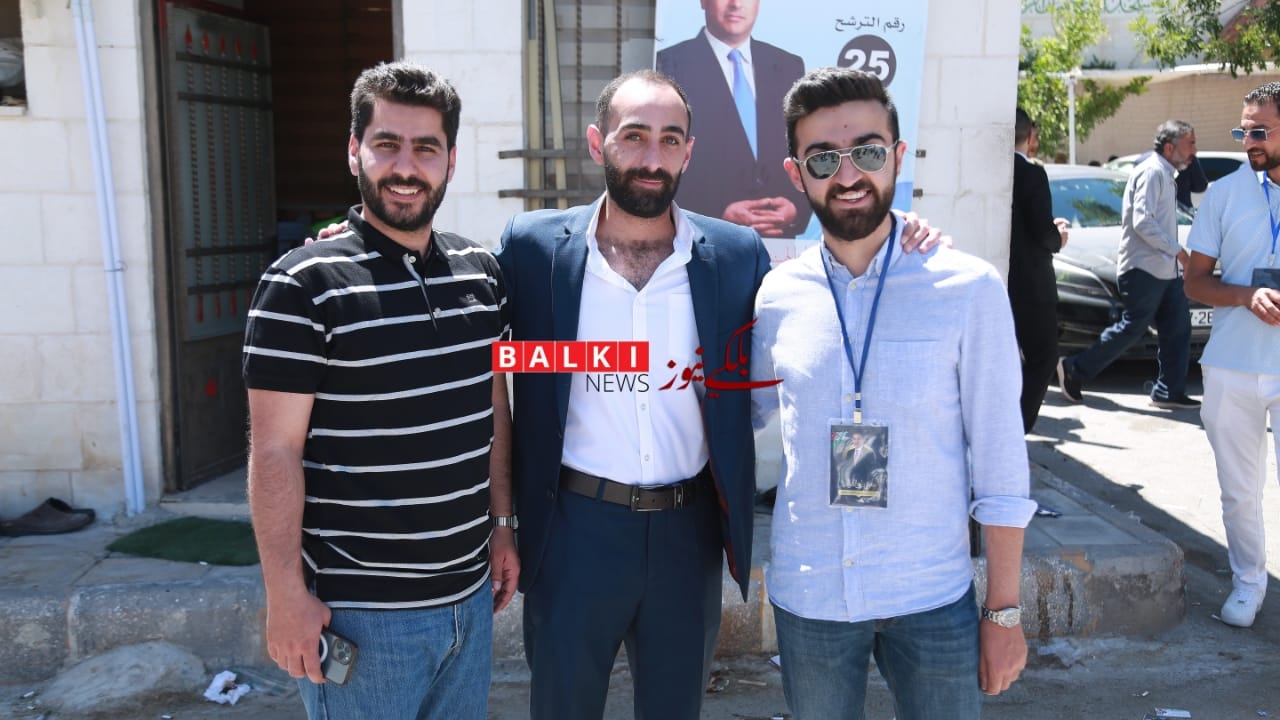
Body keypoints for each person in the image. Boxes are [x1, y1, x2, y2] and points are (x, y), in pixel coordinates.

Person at [495, 69, 942, 720]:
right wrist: (366, 242)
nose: (653, 157)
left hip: (689, 534)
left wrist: (902, 237)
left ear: (689, 152)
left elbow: (829, 293)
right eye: (634, 136)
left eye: (670, 139)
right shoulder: (532, 249)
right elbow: (471, 330)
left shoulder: (736, 256)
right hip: (571, 532)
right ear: (597, 143)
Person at [749, 67, 1036, 720]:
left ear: (899, 157)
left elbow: (1000, 458)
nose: (848, 174)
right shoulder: (774, 296)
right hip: (812, 596)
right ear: (796, 174)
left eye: (868, 152)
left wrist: (1004, 610)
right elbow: (741, 419)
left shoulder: (967, 289)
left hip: (930, 594)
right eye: (823, 158)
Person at [241, 61, 518, 719]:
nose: (405, 167)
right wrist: (284, 595)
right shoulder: (301, 286)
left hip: (469, 603)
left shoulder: (481, 275)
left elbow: (494, 408)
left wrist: (503, 526)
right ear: (354, 150)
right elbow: (274, 451)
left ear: (451, 160)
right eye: (386, 144)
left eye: (426, 148)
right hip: (361, 619)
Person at [1184, 81, 1280, 628]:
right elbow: (1195, 282)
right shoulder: (1223, 194)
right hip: (1231, 364)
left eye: (1260, 131)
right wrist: (1246, 295)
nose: (1249, 142)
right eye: (1243, 132)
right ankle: (1248, 584)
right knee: (1239, 492)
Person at [1057, 120, 1200, 409]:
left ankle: (1168, 392)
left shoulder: (1166, 173)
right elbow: (1142, 222)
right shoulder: (1152, 172)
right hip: (1143, 268)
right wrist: (1178, 251)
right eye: (1190, 144)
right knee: (1133, 328)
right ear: (1169, 147)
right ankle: (1074, 368)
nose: (1194, 152)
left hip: (1164, 269)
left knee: (1178, 328)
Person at [657, 0, 810, 237]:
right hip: (702, 239)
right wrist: (715, 214)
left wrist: (797, 206)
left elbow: (806, 146)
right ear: (703, 2)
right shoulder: (669, 64)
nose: (736, 4)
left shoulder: (788, 65)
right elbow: (660, 157)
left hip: (780, 244)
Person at [1009, 107, 1069, 433]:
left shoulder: (990, 172)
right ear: (1031, 135)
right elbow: (1043, 234)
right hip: (1030, 284)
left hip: (1002, 281)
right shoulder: (1031, 174)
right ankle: (1014, 430)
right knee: (1043, 358)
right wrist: (1058, 236)